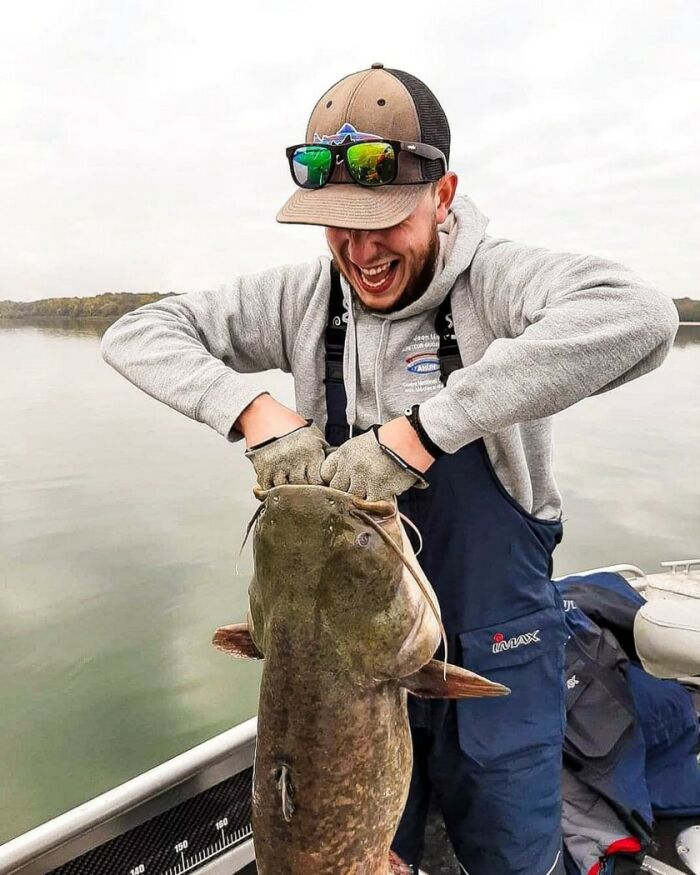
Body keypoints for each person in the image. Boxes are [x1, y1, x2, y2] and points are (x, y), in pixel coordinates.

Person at [101, 63, 679, 875]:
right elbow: (139, 333)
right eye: (340, 226)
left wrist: (421, 435)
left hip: (497, 647)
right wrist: (253, 414)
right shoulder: (304, 299)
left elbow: (641, 316)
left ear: (442, 196)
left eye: (386, 221)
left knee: (513, 854)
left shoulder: (498, 283)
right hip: (339, 674)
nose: (363, 253)